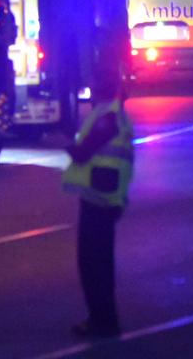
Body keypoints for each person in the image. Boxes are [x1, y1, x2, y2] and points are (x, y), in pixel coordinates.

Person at [62, 58, 134, 339]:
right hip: (106, 197)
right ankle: (102, 318)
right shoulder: (113, 114)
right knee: (98, 264)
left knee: (94, 265)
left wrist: (67, 141)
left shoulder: (108, 116)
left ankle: (102, 321)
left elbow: (84, 152)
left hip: (100, 200)